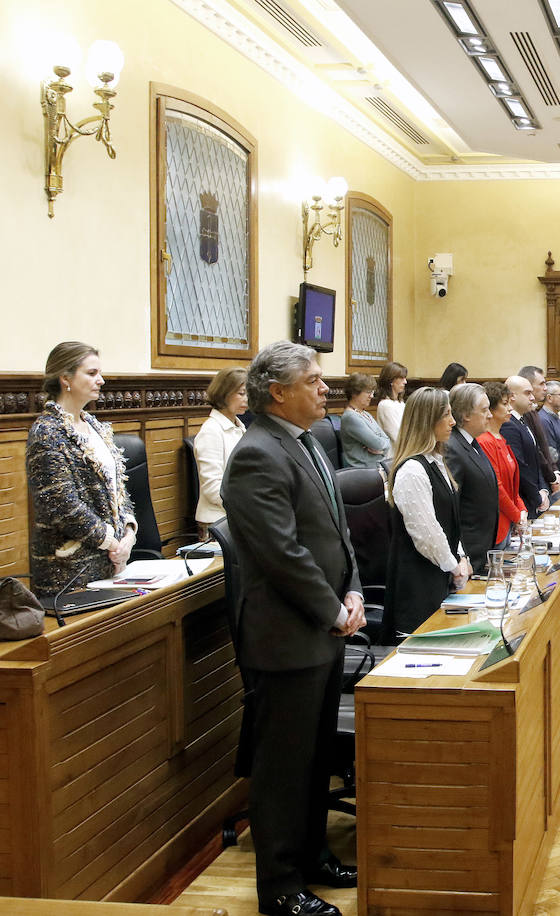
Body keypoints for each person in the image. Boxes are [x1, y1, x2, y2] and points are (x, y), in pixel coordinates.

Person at [220, 341, 364, 916]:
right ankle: (279, 887)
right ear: (278, 392)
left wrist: (352, 587)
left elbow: (336, 530)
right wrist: (332, 609)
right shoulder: (257, 453)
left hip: (323, 627)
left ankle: (312, 856)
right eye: (314, 380)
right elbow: (281, 553)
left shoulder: (305, 442)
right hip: (289, 635)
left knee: (314, 755)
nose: (325, 388)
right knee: (282, 767)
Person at [26, 341, 137, 596]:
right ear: (65, 378)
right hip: (69, 573)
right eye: (92, 373)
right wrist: (111, 541)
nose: (101, 380)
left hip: (113, 563)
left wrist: (128, 535)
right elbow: (62, 507)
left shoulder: (97, 427)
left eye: (99, 373)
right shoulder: (47, 432)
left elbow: (118, 490)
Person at [384, 387, 470, 640]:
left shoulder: (436, 461)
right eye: (446, 414)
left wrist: (461, 556)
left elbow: (451, 520)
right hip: (418, 587)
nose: (453, 421)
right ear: (427, 420)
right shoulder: (412, 470)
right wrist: (454, 566)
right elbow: (426, 534)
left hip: (441, 577)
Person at [444, 383, 501, 575]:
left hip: (481, 549)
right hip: (466, 555)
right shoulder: (453, 448)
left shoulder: (472, 442)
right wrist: (461, 556)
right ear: (466, 415)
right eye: (485, 410)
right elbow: (450, 507)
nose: (490, 415)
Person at [193, 366, 248, 533]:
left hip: (237, 516)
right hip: (217, 522)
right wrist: (247, 507)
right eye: (241, 393)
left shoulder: (239, 426)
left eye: (249, 394)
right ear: (224, 393)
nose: (246, 399)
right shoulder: (211, 431)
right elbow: (213, 487)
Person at [477, 381, 527, 546]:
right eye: (505, 404)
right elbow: (496, 487)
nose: (510, 408)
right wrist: (517, 515)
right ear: (491, 409)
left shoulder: (501, 439)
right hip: (497, 524)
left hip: (509, 521)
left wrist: (522, 510)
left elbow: (512, 485)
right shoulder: (485, 441)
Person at [503, 375, 550, 518]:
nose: (532, 398)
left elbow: (535, 458)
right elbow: (519, 466)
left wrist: (543, 489)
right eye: (527, 393)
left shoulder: (522, 420)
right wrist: (537, 496)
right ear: (512, 396)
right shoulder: (508, 424)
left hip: (533, 496)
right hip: (523, 500)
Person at [518, 365, 560, 497]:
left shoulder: (533, 411)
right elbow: (536, 451)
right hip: (536, 482)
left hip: (546, 477)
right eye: (542, 383)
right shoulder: (524, 413)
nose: (545, 388)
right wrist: (551, 476)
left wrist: (554, 471)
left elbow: (544, 447)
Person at [338, 372, 390, 468]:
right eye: (368, 392)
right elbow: (378, 444)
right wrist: (381, 446)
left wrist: (381, 448)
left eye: (372, 392)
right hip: (363, 471)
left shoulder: (365, 414)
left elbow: (387, 440)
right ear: (354, 393)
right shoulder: (350, 417)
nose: (371, 396)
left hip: (376, 466)